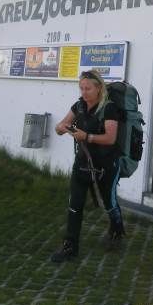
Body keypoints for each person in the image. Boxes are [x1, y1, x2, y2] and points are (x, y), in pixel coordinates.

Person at [50, 70, 126, 262]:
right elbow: (61, 125)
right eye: (81, 88)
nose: (84, 92)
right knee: (75, 204)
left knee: (109, 203)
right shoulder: (79, 105)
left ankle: (117, 229)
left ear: (98, 88)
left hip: (107, 164)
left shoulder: (109, 108)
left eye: (88, 88)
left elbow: (110, 138)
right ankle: (70, 246)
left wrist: (87, 136)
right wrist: (61, 128)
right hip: (83, 163)